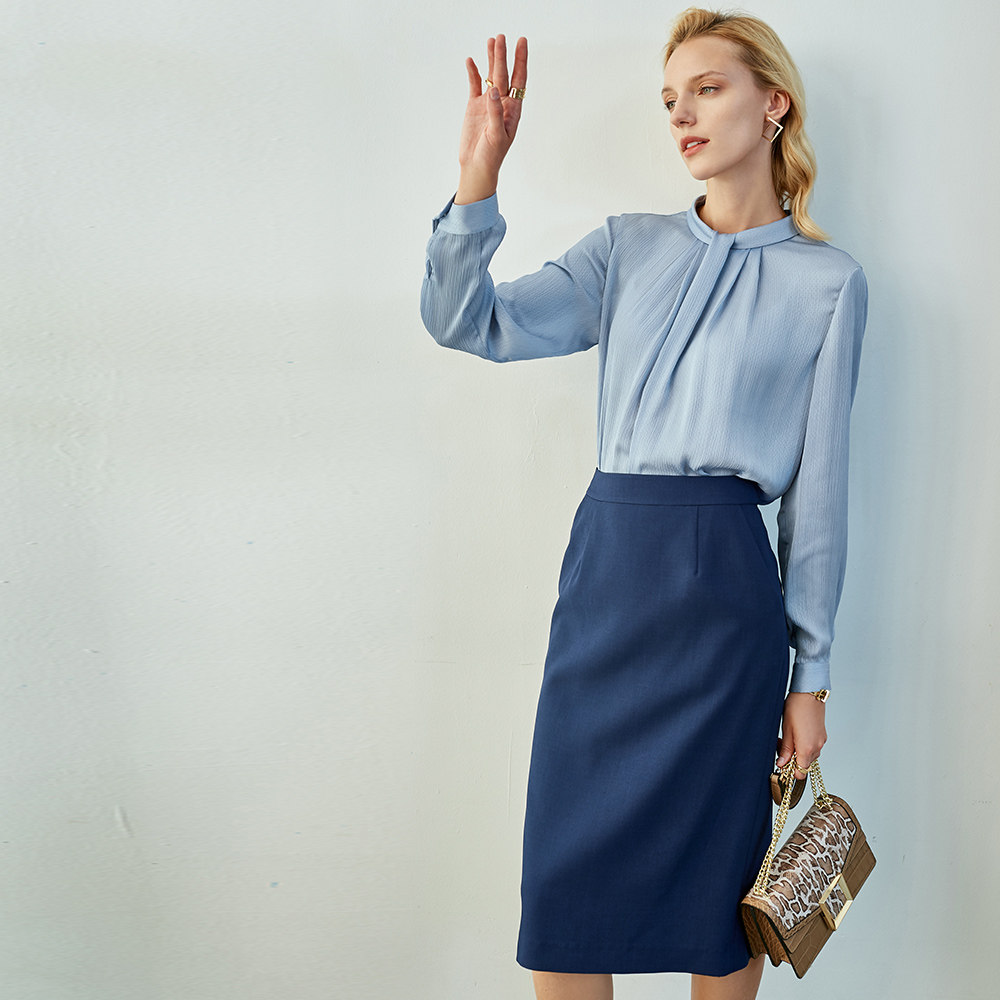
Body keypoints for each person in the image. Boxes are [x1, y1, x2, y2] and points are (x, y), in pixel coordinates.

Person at [419, 8, 868, 1000]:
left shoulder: (829, 283)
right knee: (566, 888)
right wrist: (478, 177)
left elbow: (822, 497)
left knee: (722, 891)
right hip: (610, 574)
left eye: (706, 89)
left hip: (727, 603)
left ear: (773, 103)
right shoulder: (625, 248)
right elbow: (468, 322)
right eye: (670, 100)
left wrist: (811, 676)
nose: (682, 116)